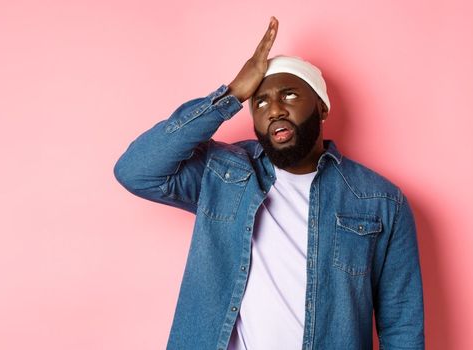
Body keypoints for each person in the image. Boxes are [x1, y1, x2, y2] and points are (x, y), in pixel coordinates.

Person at [112, 17, 424, 350]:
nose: (273, 109)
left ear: (321, 107)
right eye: (259, 102)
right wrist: (231, 96)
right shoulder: (223, 174)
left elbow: (401, 323)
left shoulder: (381, 201)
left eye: (289, 95)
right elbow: (136, 170)